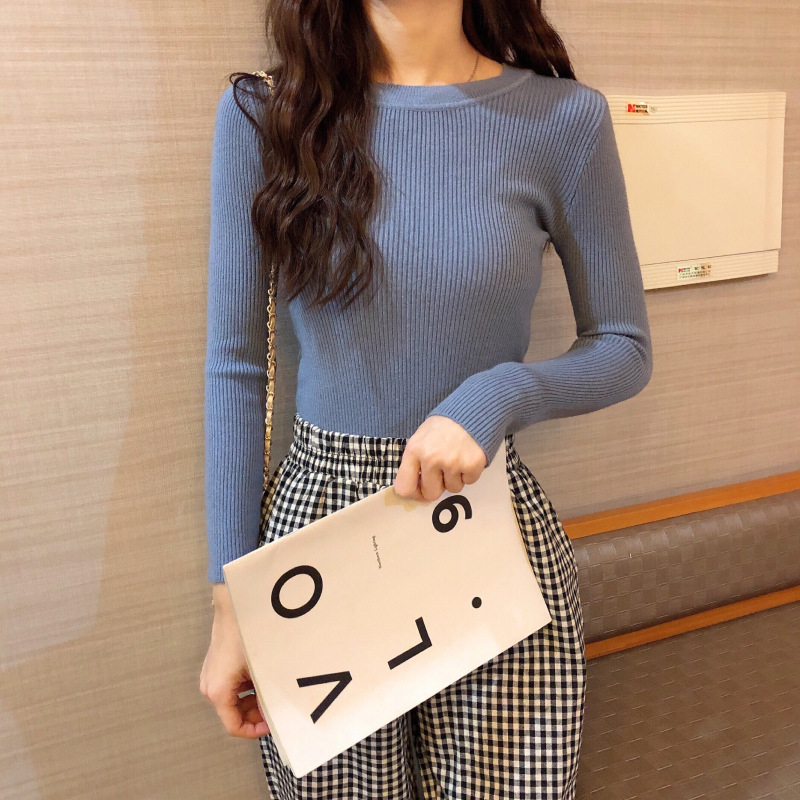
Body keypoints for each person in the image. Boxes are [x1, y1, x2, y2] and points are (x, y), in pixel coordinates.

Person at [199, 0, 653, 797]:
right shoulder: (265, 116)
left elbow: (623, 345)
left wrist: (496, 395)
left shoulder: (562, 120)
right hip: (318, 545)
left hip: (489, 529)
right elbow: (236, 368)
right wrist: (231, 604)